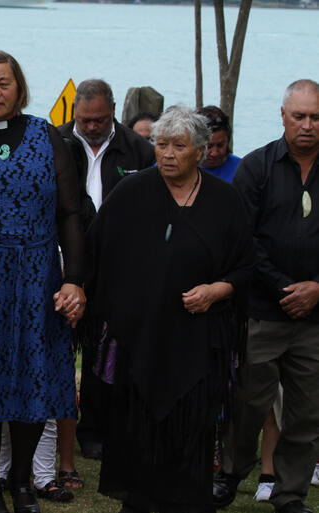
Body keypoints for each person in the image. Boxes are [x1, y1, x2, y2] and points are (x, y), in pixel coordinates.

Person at [88, 106, 253, 513]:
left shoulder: (225, 201)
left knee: (191, 432)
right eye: (161, 144)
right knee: (138, 433)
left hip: (199, 341)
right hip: (140, 339)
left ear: (199, 151)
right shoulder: (132, 192)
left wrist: (217, 290)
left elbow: (248, 266)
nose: (167, 153)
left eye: (179, 146)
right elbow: (97, 251)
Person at [0, 50, 85, 513]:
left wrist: (75, 279)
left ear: (19, 88)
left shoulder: (46, 135)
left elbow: (70, 212)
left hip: (38, 274)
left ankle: (23, 482)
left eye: (3, 83)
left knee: (36, 377)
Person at [213, 79, 319, 513]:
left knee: (307, 413)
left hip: (314, 319)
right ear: (282, 116)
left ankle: (290, 493)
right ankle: (230, 474)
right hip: (260, 311)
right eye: (300, 116)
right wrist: (284, 288)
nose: (308, 125)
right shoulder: (256, 167)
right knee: (247, 406)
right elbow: (243, 241)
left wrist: (316, 290)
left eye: (316, 117)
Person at [57, 78, 155, 461]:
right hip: (69, 260)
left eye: (99, 120)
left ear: (112, 111)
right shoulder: (58, 141)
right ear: (75, 114)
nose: (92, 127)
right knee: (63, 346)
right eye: (85, 120)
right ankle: (56, 430)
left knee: (109, 350)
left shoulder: (138, 149)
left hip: (120, 265)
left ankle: (98, 429)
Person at [197, 105, 241, 182]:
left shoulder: (242, 169)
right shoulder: (182, 170)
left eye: (220, 146)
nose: (214, 153)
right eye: (209, 146)